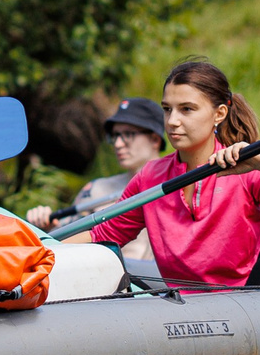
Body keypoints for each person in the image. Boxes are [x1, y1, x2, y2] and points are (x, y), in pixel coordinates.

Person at [51, 61, 260, 287]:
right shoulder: (151, 176)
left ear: (219, 114)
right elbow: (103, 233)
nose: (172, 121)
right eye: (167, 109)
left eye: (187, 109)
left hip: (249, 305)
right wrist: (42, 249)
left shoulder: (246, 168)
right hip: (183, 312)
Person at [25, 97, 166, 254]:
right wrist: (45, 227)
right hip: (110, 276)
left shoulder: (180, 186)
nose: (118, 144)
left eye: (128, 134)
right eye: (115, 136)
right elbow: (62, 237)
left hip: (168, 278)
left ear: (155, 139)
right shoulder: (97, 189)